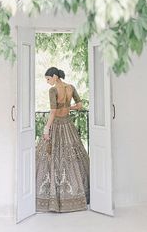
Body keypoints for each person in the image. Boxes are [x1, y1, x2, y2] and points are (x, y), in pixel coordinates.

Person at [36, 67, 90, 213]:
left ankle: (52, 197)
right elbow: (80, 105)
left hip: (57, 125)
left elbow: (53, 111)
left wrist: (47, 128)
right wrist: (68, 106)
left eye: (48, 79)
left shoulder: (53, 90)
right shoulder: (70, 87)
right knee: (71, 158)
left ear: (54, 76)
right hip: (68, 125)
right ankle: (78, 193)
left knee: (51, 158)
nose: (48, 82)